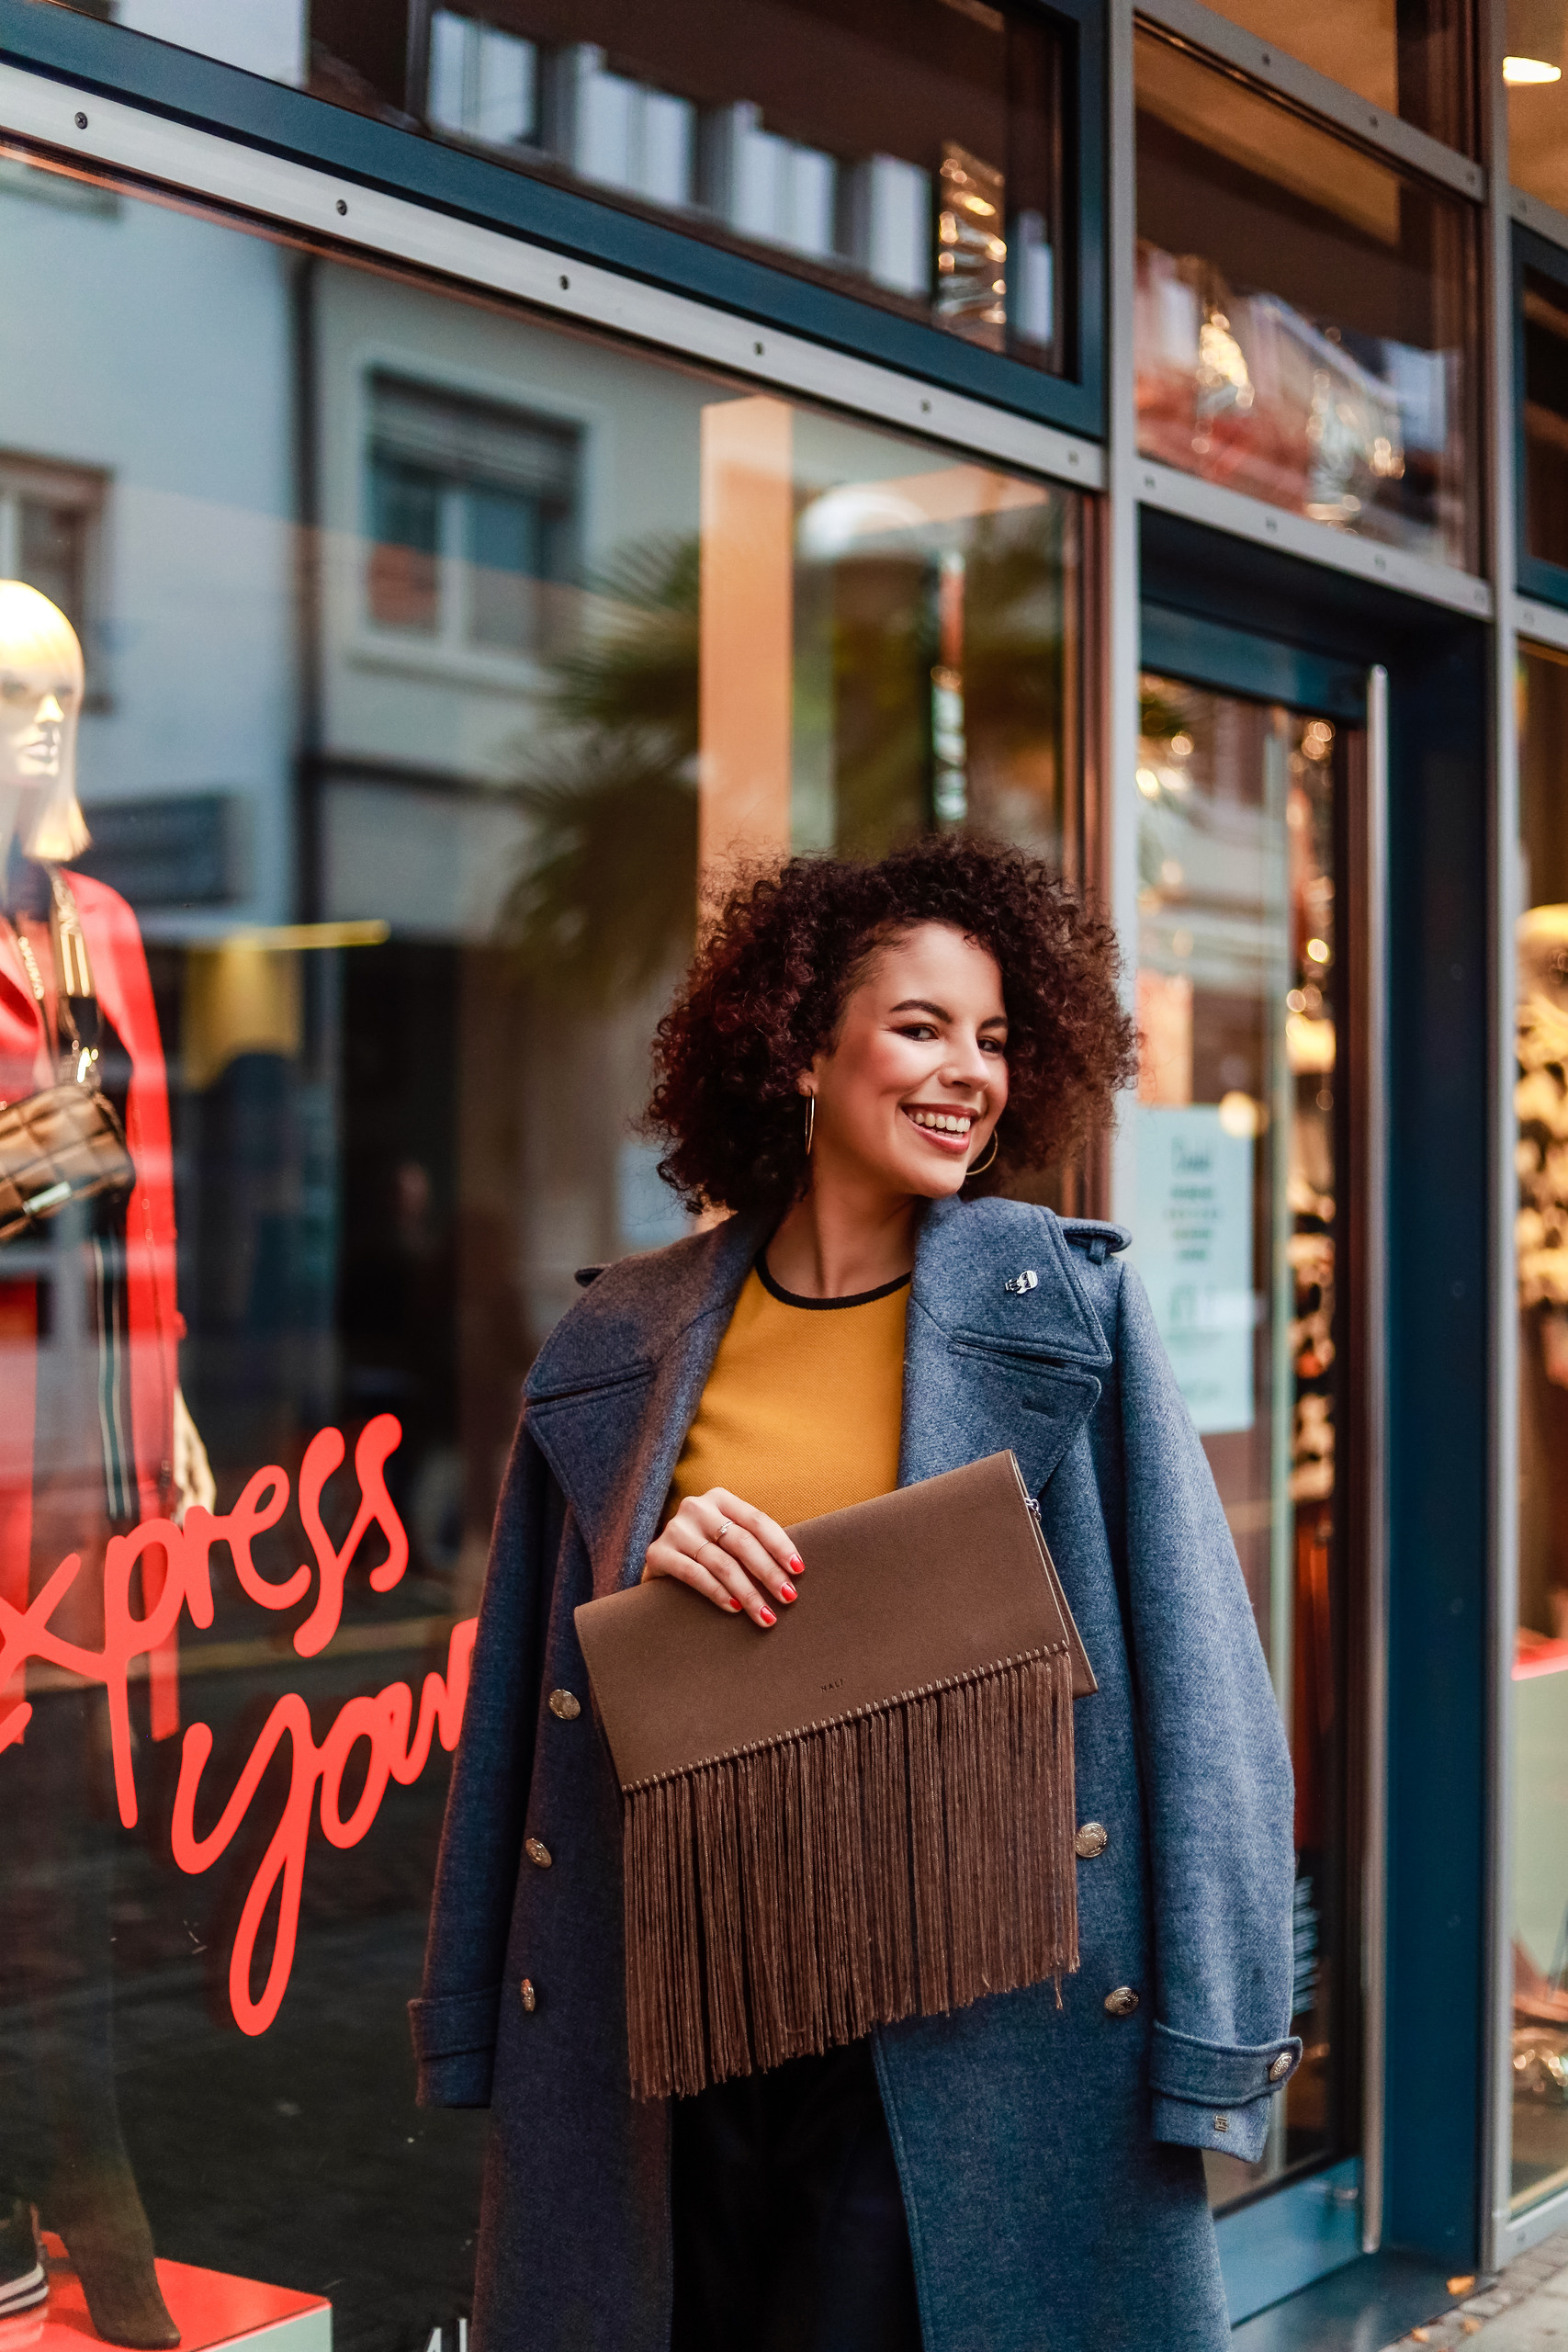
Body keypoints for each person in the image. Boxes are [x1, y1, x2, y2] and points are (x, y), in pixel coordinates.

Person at [412, 834, 1300, 2352]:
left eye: (1000, 1038)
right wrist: (649, 1575)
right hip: (678, 2007)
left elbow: (1207, 1690)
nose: (970, 1072)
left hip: (971, 2016)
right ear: (801, 1051)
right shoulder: (626, 1336)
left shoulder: (1066, 1304)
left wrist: (1222, 2042)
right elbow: (529, 1700)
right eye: (920, 1026)